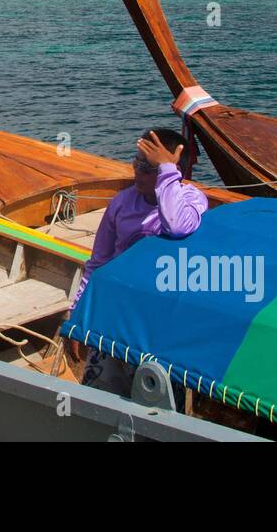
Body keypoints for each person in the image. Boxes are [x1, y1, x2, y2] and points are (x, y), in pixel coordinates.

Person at [67, 127, 208, 399]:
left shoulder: (191, 199)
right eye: (136, 161)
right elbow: (99, 263)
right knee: (100, 392)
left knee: (156, 397)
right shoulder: (122, 203)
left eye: (147, 166)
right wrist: (79, 313)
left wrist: (167, 170)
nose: (136, 171)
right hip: (117, 311)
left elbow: (176, 226)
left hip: (161, 321)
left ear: (173, 169)